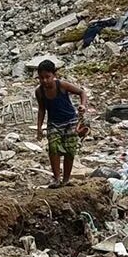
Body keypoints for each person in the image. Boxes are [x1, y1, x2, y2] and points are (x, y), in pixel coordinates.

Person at [33, 58, 87, 186]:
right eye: (41, 78)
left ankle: (66, 179)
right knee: (53, 148)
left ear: (54, 75)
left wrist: (83, 105)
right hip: (54, 122)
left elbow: (81, 92)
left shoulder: (62, 86)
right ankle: (57, 178)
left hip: (70, 121)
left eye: (48, 77)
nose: (45, 81)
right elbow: (41, 110)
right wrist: (39, 127)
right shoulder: (39, 92)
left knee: (70, 149)